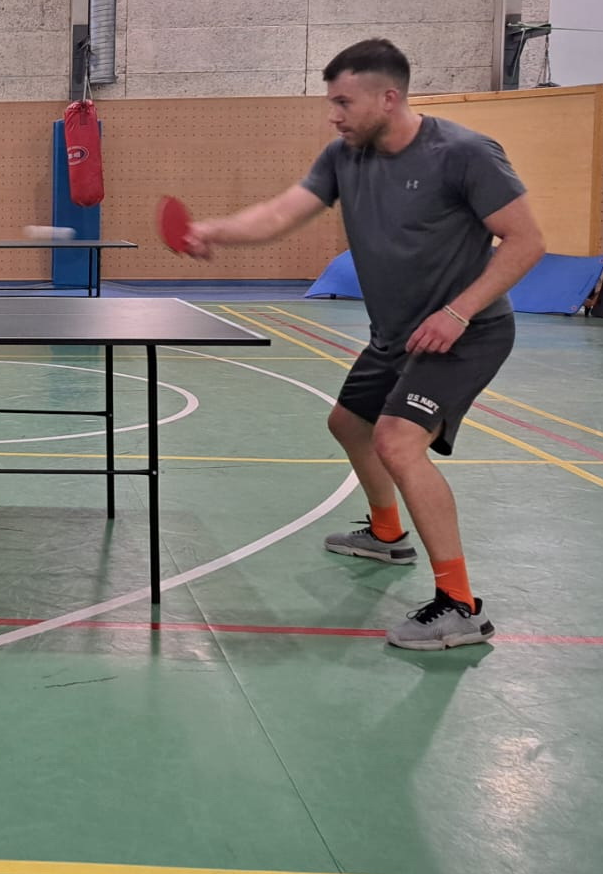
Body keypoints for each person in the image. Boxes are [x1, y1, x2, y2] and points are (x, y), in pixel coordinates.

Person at [179, 39, 545, 650]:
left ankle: (460, 605)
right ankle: (386, 534)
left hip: (467, 332)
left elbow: (527, 240)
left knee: (397, 443)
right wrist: (214, 230)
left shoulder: (464, 154)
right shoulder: (344, 157)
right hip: (396, 335)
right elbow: (280, 214)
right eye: (333, 102)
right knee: (348, 423)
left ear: (389, 98)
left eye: (344, 102)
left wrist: (457, 312)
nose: (334, 115)